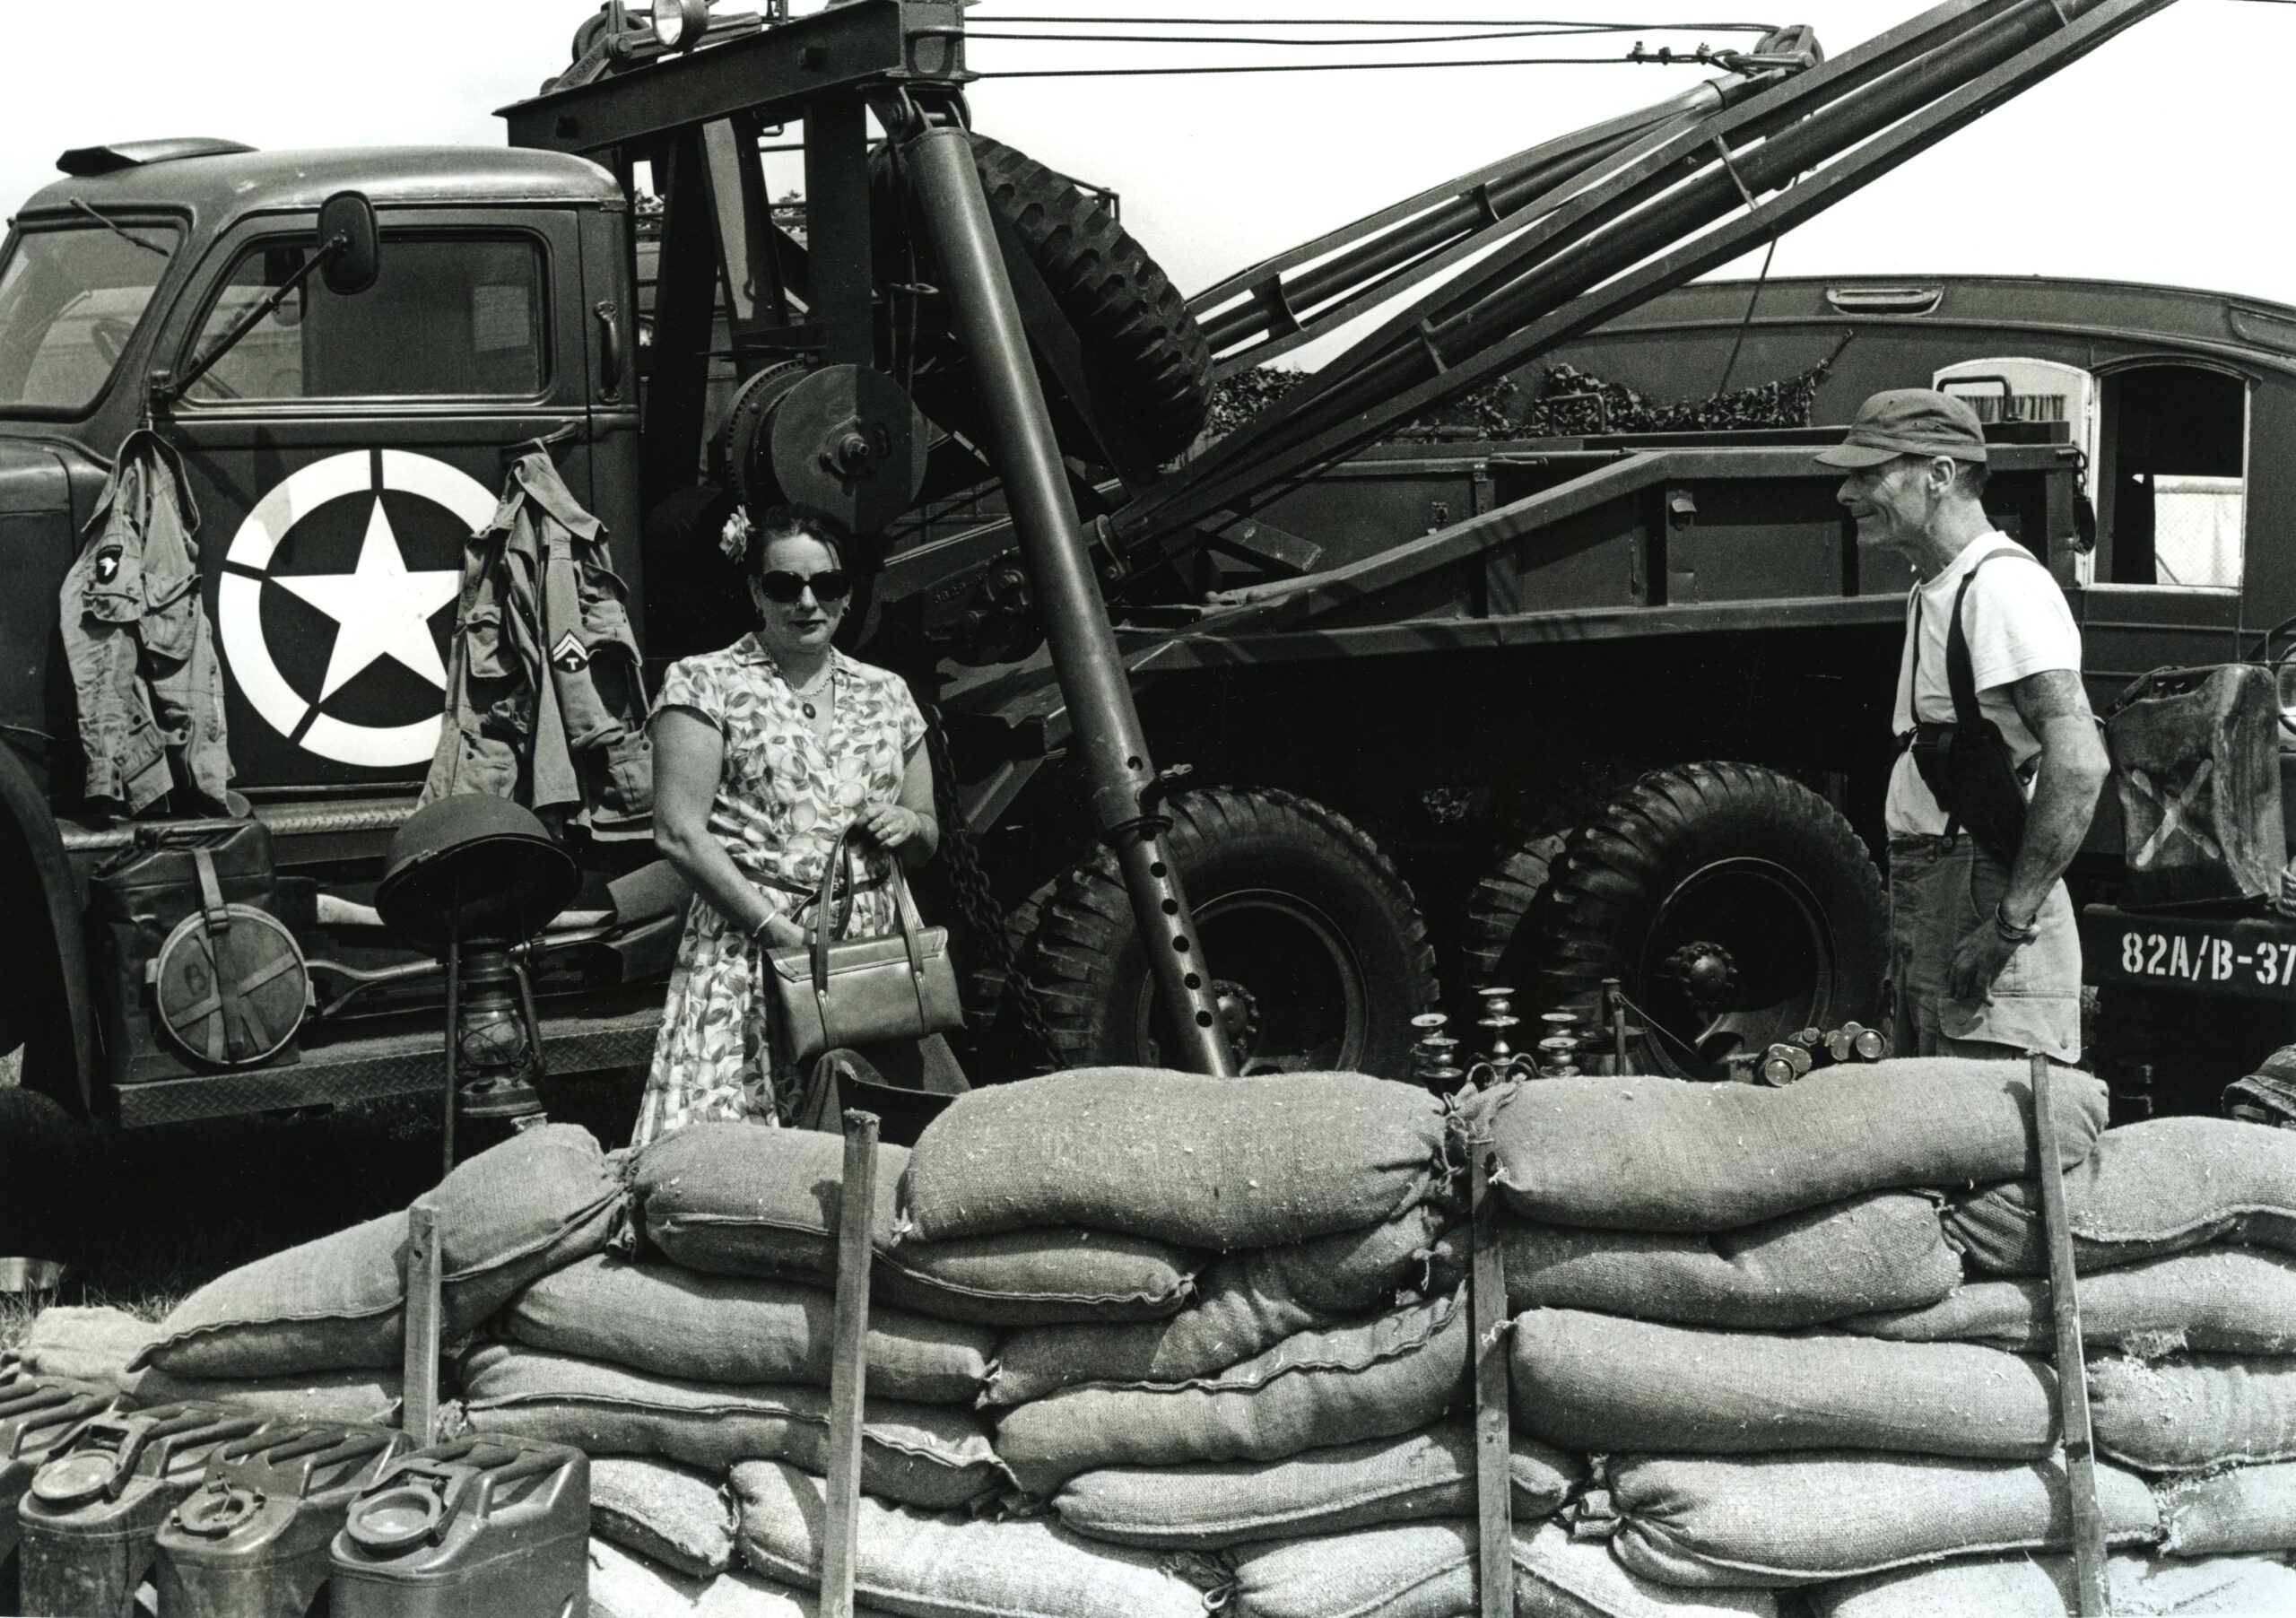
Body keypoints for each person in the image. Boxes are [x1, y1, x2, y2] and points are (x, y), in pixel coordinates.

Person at [636, 503, 944, 1144]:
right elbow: (678, 831)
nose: (807, 603)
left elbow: (928, 836)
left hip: (865, 966)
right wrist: (776, 931)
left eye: (826, 586)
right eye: (784, 586)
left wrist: (908, 827)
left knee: (871, 1150)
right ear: (756, 591)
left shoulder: (887, 693)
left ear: (848, 594)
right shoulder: (705, 683)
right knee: (738, 1154)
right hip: (749, 954)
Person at [1817, 388, 2109, 1061]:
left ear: (1940, 474)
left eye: (1869, 474)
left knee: (1991, 1137)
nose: (1846, 493)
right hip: (1940, 882)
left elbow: (2080, 761)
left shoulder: (2001, 589)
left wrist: (2008, 922)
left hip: (1983, 888)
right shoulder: (1935, 585)